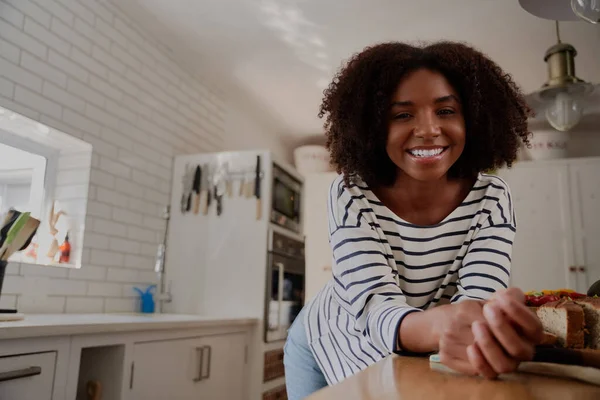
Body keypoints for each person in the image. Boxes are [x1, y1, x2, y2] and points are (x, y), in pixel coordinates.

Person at [283, 41, 544, 400]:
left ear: (473, 118)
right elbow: (376, 308)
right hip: (331, 333)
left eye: (447, 110)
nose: (428, 129)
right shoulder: (350, 193)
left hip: (421, 344)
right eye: (402, 115)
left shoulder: (492, 199)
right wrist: (448, 324)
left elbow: (478, 298)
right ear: (373, 126)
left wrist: (484, 327)